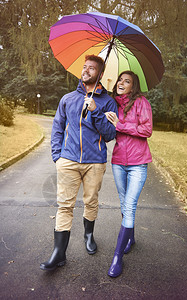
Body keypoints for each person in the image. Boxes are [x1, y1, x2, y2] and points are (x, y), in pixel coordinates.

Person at [40, 55, 118, 271]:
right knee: (65, 205)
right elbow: (57, 128)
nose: (86, 70)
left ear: (100, 74)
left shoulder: (108, 102)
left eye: (92, 68)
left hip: (95, 162)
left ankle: (89, 235)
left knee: (91, 202)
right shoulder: (67, 99)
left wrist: (95, 111)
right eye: (85, 67)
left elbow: (111, 133)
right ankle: (58, 253)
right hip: (68, 161)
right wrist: (58, 157)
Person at [105, 71, 153, 277]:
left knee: (129, 206)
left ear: (133, 87)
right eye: (120, 80)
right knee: (124, 202)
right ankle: (130, 238)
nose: (121, 83)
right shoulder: (112, 104)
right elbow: (108, 133)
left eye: (127, 81)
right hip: (118, 162)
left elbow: (147, 129)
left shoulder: (142, 103)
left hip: (138, 163)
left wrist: (120, 124)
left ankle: (117, 258)